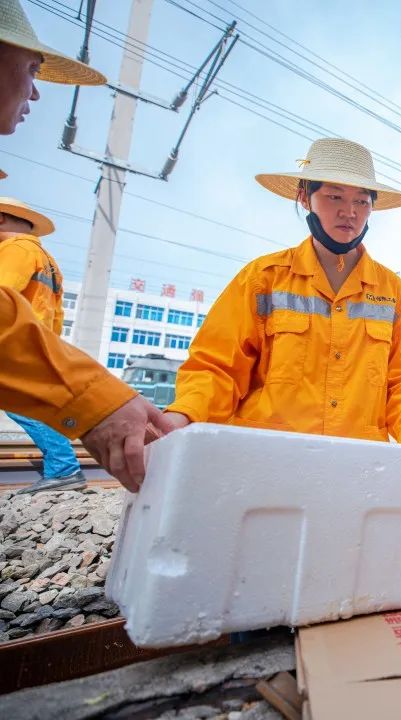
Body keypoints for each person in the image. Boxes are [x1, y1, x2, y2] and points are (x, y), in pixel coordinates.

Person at [0, 0, 170, 491]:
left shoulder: (15, 252)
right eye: (31, 69)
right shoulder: (41, 254)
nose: (34, 91)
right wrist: (90, 395)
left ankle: (61, 469)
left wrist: (89, 396)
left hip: (26, 360)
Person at [163, 138, 401, 443]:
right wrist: (182, 413)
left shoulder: (391, 291)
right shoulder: (263, 279)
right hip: (267, 458)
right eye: (334, 197)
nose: (349, 212)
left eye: (361, 201)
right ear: (305, 198)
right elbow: (217, 367)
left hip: (358, 464)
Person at [0, 199, 84, 493]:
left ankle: (63, 469)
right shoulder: (47, 259)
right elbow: (57, 313)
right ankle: (63, 468)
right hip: (35, 341)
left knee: (22, 406)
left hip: (14, 342)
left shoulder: (15, 250)